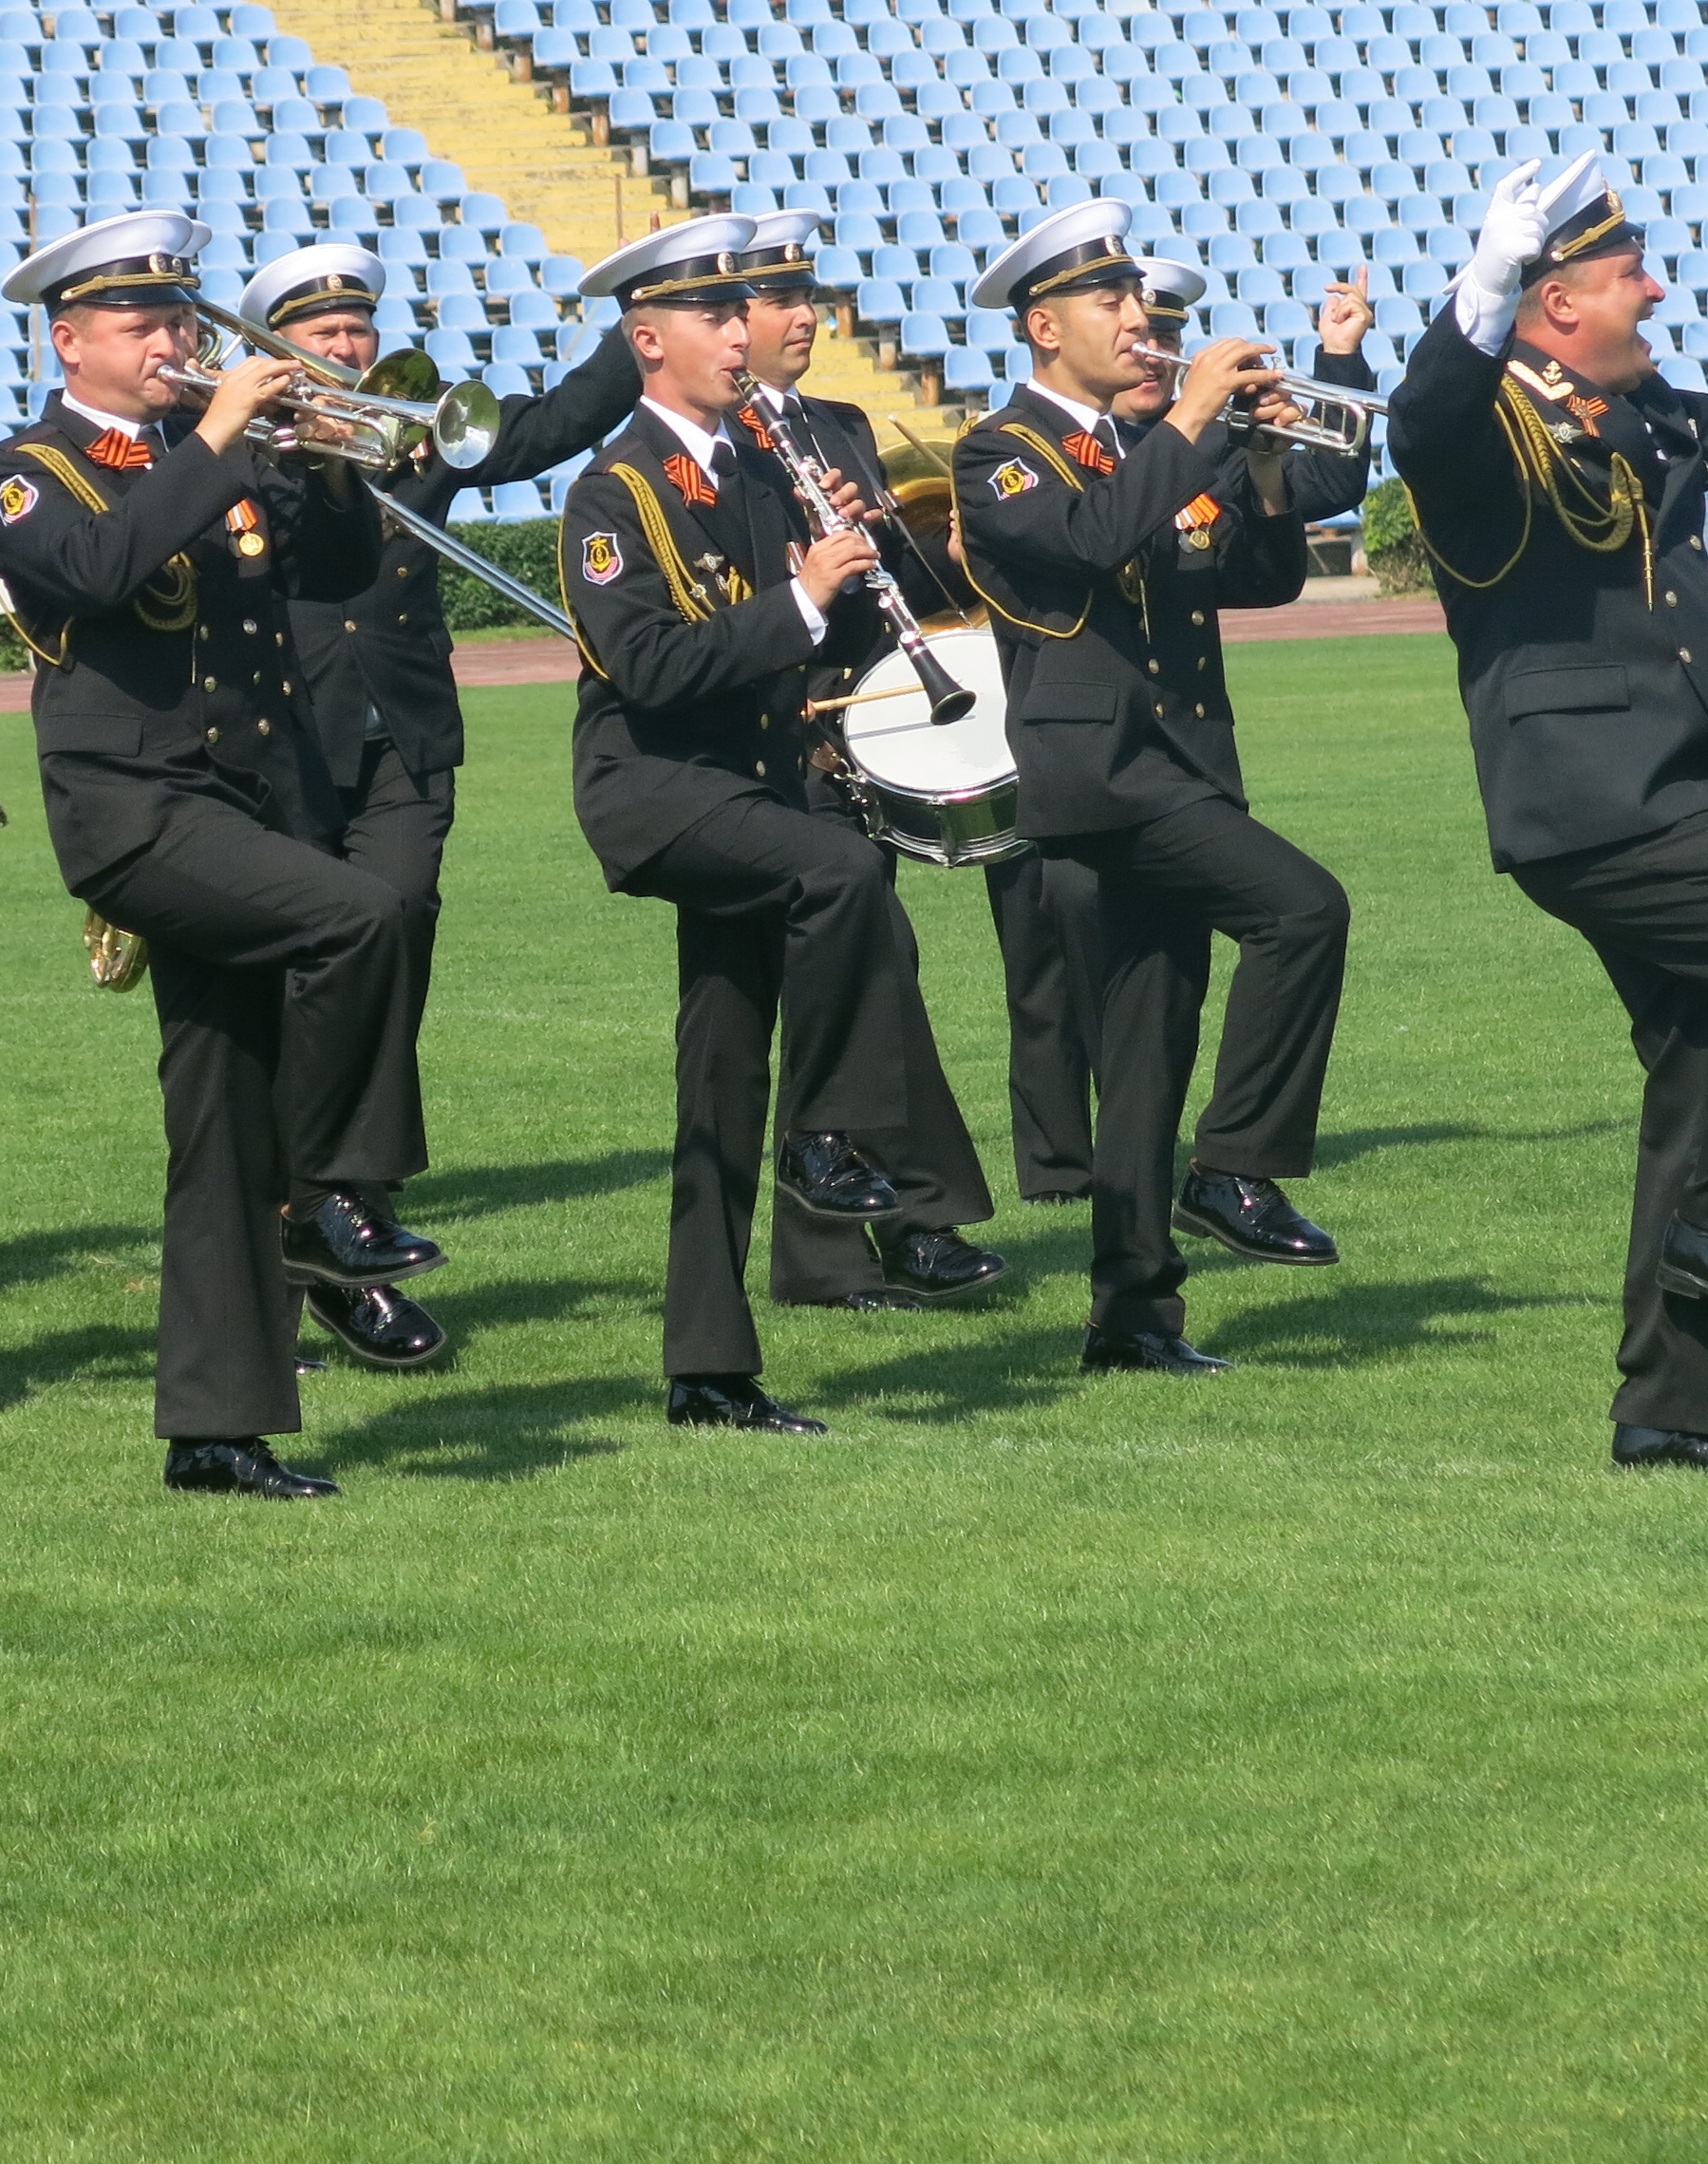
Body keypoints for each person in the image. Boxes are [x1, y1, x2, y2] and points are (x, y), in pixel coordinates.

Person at [1389, 151, 1708, 1477]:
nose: (1658, 291)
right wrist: (1479, 288)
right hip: (1598, 802)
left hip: (1677, 785)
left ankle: (1674, 1415)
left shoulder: (1634, 412)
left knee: (1706, 1067)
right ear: (1558, 301)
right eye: (1632, 275)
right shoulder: (1486, 428)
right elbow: (1421, 425)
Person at [0, 212, 437, 1498]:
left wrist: (328, 460)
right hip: (138, 813)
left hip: (249, 809)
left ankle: (217, 1435)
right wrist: (223, 432)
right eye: (142, 326)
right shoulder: (25, 470)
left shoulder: (213, 450)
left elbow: (330, 573)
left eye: (181, 320)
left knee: (221, 1126)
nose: (172, 343)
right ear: (70, 342)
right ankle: (330, 1196)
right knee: (362, 917)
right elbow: (98, 569)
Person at [555, 215, 1000, 1432]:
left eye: (733, 313)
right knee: (841, 872)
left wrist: (863, 562)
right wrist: (800, 595)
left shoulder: (762, 468)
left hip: (748, 788)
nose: (738, 333)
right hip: (657, 791)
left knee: (718, 1074)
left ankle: (708, 1370)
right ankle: (828, 1135)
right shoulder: (611, 492)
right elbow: (650, 667)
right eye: (711, 316)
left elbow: (819, 640)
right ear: (650, 340)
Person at [952, 200, 1351, 1380]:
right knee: (1303, 910)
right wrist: (1188, 420)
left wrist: (1262, 464)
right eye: (1109, 301)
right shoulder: (1001, 451)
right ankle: (1235, 1168)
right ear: (1043, 326)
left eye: (1136, 299)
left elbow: (1258, 580)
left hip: (1178, 767)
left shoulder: (1148, 448)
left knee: (1144, 1050)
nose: (1137, 318)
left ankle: (1130, 1315)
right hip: (1103, 775)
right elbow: (1087, 543)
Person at [237, 239, 644, 1329]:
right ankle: (303, 1195)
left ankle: (352, 1187)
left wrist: (643, 314)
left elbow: (555, 424)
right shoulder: (243, 447)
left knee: (398, 930)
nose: (345, 346)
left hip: (404, 740)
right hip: (291, 742)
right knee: (298, 970)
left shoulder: (420, 427)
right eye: (322, 332)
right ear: (277, 345)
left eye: (356, 329)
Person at [720, 210, 1010, 1308]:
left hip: (852, 739)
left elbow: (888, 590)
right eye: (778, 300)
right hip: (767, 743)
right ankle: (908, 1222)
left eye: (808, 295)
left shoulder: (838, 424)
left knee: (848, 980)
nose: (804, 316)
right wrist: (799, 563)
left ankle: (835, 1253)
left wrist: (886, 536)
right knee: (861, 967)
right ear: (730, 317)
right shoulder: (715, 440)